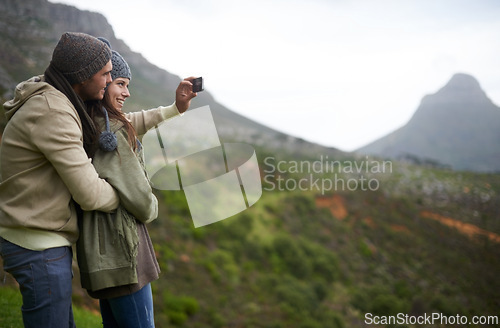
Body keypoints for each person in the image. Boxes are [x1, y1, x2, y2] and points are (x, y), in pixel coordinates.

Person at [0, 32, 121, 328]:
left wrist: (173, 111)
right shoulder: (55, 112)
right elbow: (91, 195)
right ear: (83, 75)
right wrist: (126, 194)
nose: (109, 80)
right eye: (105, 73)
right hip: (37, 243)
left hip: (36, 235)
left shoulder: (57, 97)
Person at [75, 39, 197, 328]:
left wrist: (176, 107)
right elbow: (143, 205)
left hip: (102, 254)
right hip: (123, 252)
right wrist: (153, 203)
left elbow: (135, 120)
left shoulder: (90, 121)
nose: (127, 92)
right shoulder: (112, 132)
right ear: (102, 85)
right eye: (119, 83)